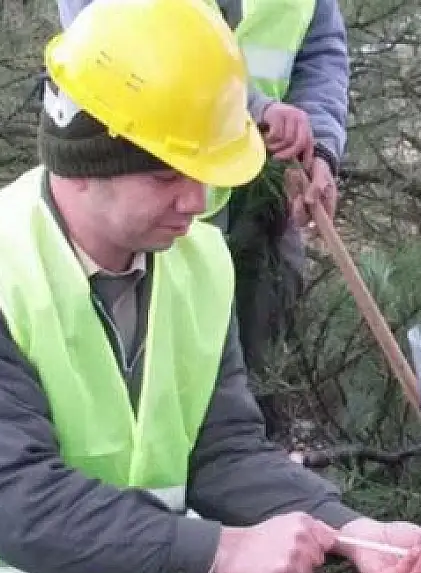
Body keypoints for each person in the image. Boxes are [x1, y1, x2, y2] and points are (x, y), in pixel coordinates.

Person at [0, 1, 421, 573]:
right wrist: (225, 549)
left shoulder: (198, 261)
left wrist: (353, 532)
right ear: (83, 168)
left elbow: (224, 452)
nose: (198, 200)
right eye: (167, 177)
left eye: (207, 172)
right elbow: (19, 505)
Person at [55, 0, 348, 377]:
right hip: (141, 184)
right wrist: (251, 107)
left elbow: (319, 51)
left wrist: (318, 146)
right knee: (135, 371)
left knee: (253, 382)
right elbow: (114, 35)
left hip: (262, 196)